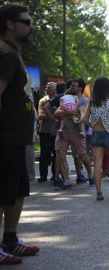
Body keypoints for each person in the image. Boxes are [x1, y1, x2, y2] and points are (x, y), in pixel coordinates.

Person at [0, 3, 40, 264]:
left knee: (16, 191)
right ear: (10, 24)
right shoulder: (5, 55)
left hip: (18, 139)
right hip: (5, 138)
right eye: (26, 22)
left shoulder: (14, 53)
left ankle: (10, 241)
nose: (31, 26)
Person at [82, 77, 109, 200]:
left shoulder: (92, 102)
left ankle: (99, 193)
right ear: (107, 88)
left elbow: (84, 120)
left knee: (97, 164)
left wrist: (93, 126)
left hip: (96, 134)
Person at [37, 82, 57, 182]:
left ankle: (55, 175)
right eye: (46, 87)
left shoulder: (58, 100)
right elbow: (40, 115)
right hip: (44, 131)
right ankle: (43, 175)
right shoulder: (43, 101)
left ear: (55, 89)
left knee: (55, 153)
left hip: (55, 131)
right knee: (44, 153)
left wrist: (48, 115)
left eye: (49, 87)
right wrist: (53, 117)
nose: (47, 89)